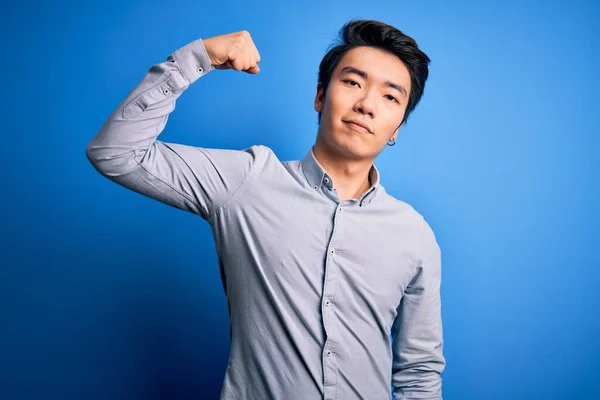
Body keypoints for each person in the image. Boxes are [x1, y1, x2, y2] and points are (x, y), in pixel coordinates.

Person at [86, 19, 445, 400]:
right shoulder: (249, 180)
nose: (367, 104)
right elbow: (115, 153)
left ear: (396, 130)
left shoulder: (414, 234)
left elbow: (419, 373)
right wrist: (199, 57)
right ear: (320, 96)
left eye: (391, 97)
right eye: (353, 82)